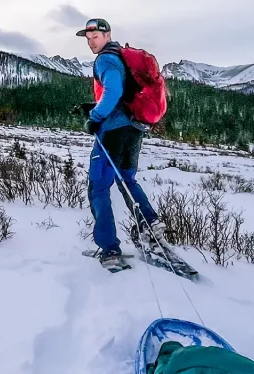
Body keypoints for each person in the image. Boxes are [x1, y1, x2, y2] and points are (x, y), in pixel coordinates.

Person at [73, 18, 166, 267]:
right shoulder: (121, 57)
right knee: (126, 179)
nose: (91, 42)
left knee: (98, 187)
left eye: (95, 36)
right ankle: (150, 224)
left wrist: (95, 117)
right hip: (134, 128)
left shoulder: (105, 59)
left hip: (112, 131)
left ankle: (110, 250)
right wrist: (96, 105)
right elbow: (122, 93)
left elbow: (113, 91)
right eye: (88, 38)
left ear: (107, 35)